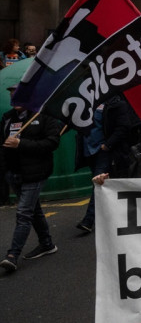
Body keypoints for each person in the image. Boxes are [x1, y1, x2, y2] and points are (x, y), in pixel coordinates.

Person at [0, 89, 64, 272]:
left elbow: (52, 142)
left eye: (20, 94)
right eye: (12, 95)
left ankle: (12, 255)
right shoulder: (7, 118)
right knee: (34, 210)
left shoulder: (44, 116)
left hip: (36, 174)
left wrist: (21, 144)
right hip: (14, 174)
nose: (15, 98)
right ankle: (47, 244)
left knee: (24, 213)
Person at [76, 94, 141, 233]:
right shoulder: (86, 103)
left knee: (98, 183)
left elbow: (123, 127)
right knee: (104, 183)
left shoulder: (116, 103)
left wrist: (107, 145)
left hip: (105, 150)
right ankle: (114, 216)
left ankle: (88, 221)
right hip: (90, 151)